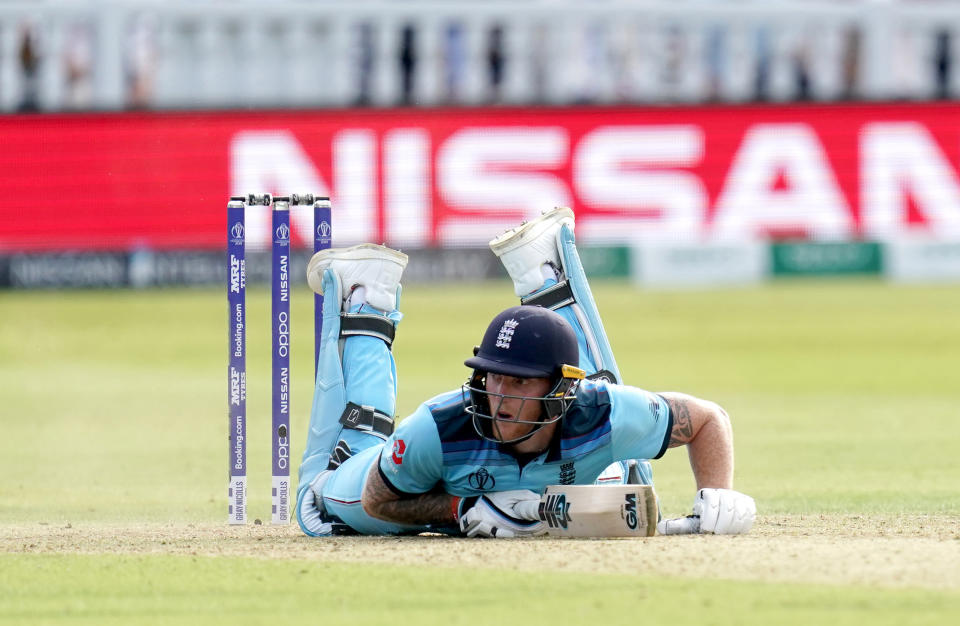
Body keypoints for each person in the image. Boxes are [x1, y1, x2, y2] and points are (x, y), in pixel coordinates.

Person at [296, 207, 756, 538]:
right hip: (381, 489)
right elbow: (379, 500)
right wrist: (465, 509)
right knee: (329, 498)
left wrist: (716, 496)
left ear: (558, 390)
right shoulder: (439, 426)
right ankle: (366, 300)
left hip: (570, 471)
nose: (499, 394)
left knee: (616, 462)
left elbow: (707, 419)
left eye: (518, 380)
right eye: (493, 376)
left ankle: (543, 273)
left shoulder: (600, 409)